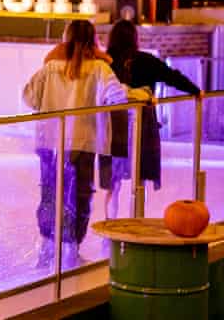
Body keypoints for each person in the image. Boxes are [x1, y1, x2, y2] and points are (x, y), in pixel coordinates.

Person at [23, 20, 127, 270]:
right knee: (79, 193)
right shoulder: (100, 69)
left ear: (66, 38)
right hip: (82, 142)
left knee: (50, 192)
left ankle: (48, 246)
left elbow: (28, 96)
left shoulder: (50, 68)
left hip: (49, 140)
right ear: (94, 40)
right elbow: (118, 97)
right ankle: (70, 249)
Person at [99, 20, 201, 221]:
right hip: (143, 124)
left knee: (113, 183)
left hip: (113, 124)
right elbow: (172, 76)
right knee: (140, 177)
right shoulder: (146, 60)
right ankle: (137, 220)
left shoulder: (105, 63)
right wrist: (195, 91)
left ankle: (110, 227)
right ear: (134, 39)